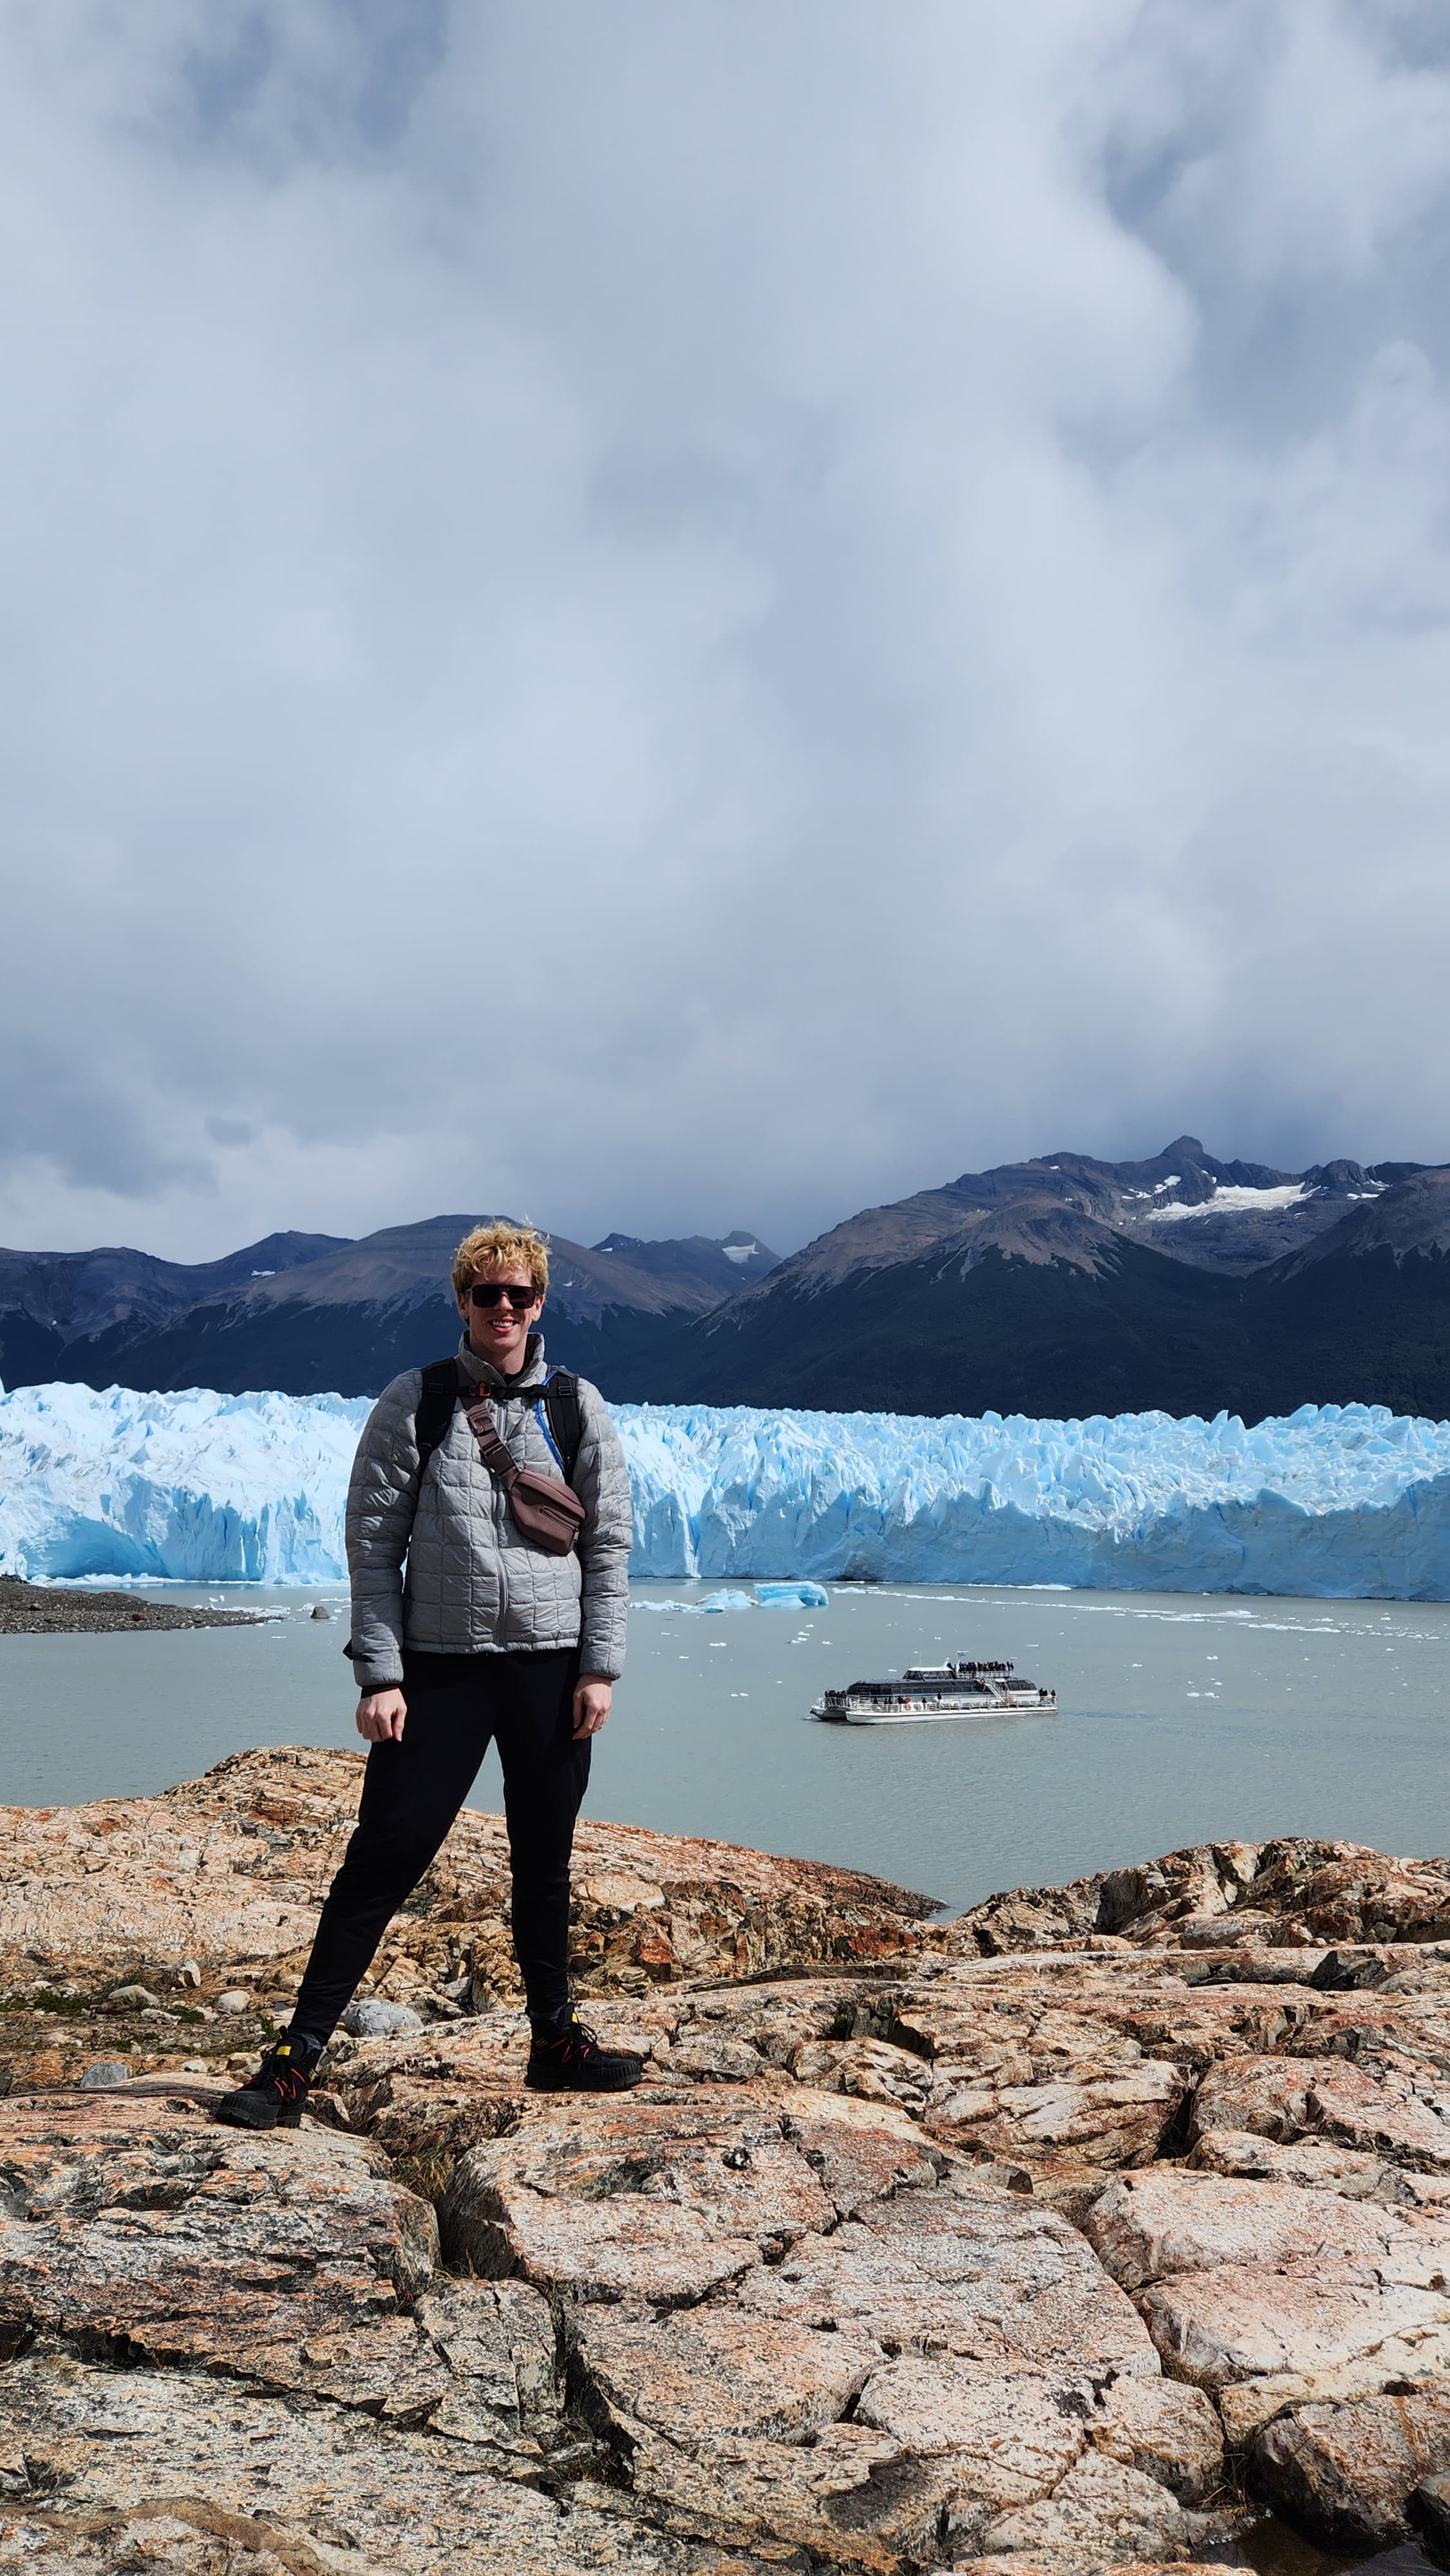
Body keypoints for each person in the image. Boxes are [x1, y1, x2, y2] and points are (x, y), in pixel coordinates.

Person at [216, 1221, 640, 2130]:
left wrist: (598, 1667)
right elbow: (373, 1548)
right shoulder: (419, 1401)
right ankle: (294, 2064)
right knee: (382, 1861)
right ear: (460, 1300)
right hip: (440, 1672)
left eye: (519, 1293)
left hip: (548, 1668)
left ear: (541, 1302)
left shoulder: (574, 1406)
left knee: (544, 1862)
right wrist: (380, 1675)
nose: (504, 1308)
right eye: (487, 1293)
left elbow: (607, 1545)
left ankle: (555, 2043)